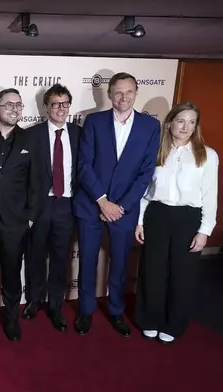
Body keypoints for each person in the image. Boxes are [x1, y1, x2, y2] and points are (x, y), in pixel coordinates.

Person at [73, 72, 160, 337]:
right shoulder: (94, 121)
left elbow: (146, 172)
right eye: (118, 92)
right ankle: (86, 311)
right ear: (109, 94)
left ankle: (116, 310)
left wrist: (119, 206)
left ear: (136, 93)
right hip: (92, 205)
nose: (123, 97)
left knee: (121, 264)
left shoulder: (150, 126)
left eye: (128, 92)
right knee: (87, 261)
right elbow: (84, 164)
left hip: (125, 209)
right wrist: (102, 201)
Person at [135, 102, 218, 344]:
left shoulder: (207, 155)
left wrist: (204, 231)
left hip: (188, 219)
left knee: (182, 275)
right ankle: (149, 320)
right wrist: (140, 221)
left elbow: (210, 196)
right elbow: (145, 192)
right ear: (169, 122)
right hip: (157, 215)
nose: (186, 127)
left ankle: (173, 323)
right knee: (152, 272)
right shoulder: (156, 152)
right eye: (181, 121)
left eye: (192, 122)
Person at [0, 88, 40, 341]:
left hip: (15, 221)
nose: (15, 109)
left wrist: (30, 215)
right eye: (9, 105)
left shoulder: (31, 139)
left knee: (12, 273)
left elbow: (39, 179)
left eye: (19, 105)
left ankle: (12, 318)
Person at [24, 84, 80, 332]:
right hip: (40, 205)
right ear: (46, 107)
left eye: (65, 103)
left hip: (67, 205)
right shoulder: (31, 134)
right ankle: (34, 301)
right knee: (35, 256)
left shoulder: (80, 134)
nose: (61, 108)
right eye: (55, 103)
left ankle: (56, 306)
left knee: (60, 259)